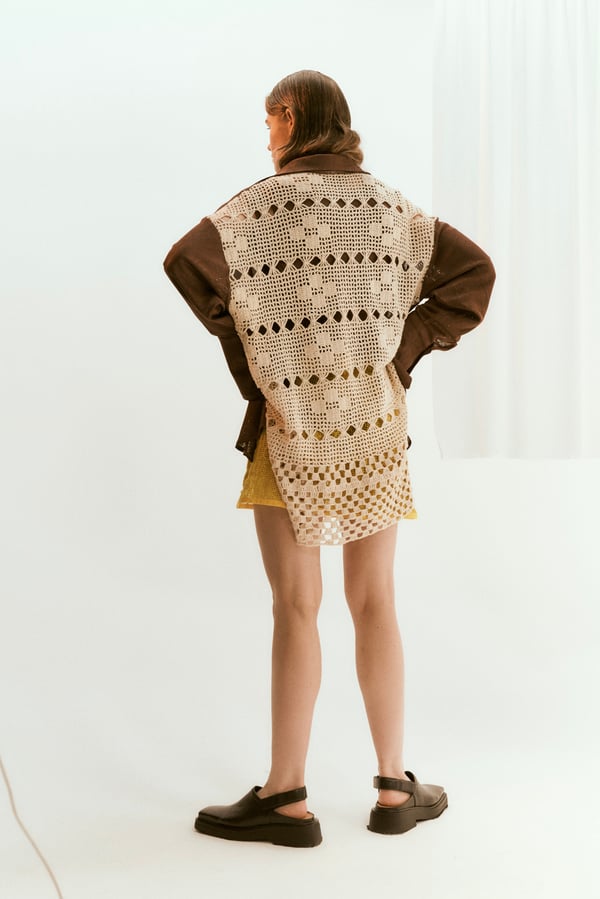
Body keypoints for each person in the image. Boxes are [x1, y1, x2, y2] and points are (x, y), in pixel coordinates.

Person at [163, 70, 495, 848]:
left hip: (288, 429)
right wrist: (402, 351)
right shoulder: (391, 209)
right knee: (375, 599)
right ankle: (393, 787)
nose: (266, 138)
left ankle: (286, 796)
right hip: (374, 428)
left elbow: (186, 261)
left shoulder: (256, 208)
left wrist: (257, 359)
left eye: (269, 122)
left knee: (296, 605)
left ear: (290, 116)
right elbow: (474, 274)